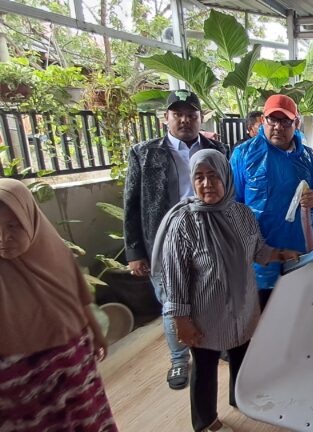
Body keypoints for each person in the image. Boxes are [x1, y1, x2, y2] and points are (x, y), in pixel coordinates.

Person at [153, 150, 298, 432]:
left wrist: (281, 254)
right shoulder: (184, 224)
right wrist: (181, 321)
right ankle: (205, 422)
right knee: (205, 368)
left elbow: (257, 250)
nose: (207, 184)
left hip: (243, 305)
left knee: (242, 356)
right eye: (199, 177)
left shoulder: (241, 214)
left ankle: (240, 397)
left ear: (226, 178)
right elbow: (175, 278)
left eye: (213, 176)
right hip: (205, 315)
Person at [124, 89, 229, 390]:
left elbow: (228, 193)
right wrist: (135, 252)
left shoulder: (218, 149)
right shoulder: (144, 153)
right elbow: (132, 204)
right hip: (164, 241)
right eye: (178, 114)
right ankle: (179, 359)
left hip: (208, 238)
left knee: (211, 296)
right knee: (173, 303)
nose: (185, 120)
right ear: (165, 118)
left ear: (200, 118)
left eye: (191, 115)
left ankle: (216, 344)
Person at [0, 178, 117, 431]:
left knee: (88, 418)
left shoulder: (55, 254)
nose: (3, 237)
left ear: (30, 219)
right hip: (26, 389)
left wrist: (96, 332)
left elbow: (79, 298)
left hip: (74, 368)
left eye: (13, 225)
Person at [231, 94, 313, 310]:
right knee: (261, 321)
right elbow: (232, 207)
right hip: (260, 260)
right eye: (272, 120)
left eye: (285, 121)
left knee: (298, 317)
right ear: (262, 121)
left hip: (300, 254)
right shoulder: (243, 154)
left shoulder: (307, 157)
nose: (278, 127)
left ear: (296, 123)